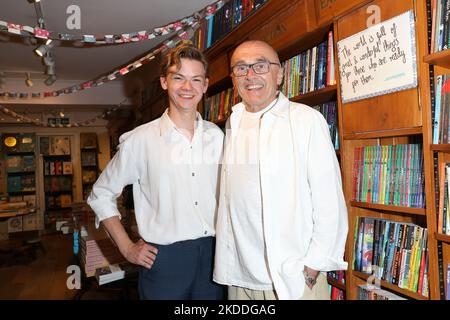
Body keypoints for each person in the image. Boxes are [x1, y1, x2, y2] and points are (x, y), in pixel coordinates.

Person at [87, 42, 225, 300]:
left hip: (215, 257)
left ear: (205, 86)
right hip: (164, 262)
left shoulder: (217, 137)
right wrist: (127, 248)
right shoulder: (140, 140)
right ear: (164, 82)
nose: (187, 87)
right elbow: (101, 194)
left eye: (196, 80)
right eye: (178, 78)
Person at [213, 40, 348, 300]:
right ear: (233, 79)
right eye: (241, 68)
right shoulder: (234, 121)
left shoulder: (306, 120)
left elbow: (329, 202)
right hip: (240, 278)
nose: (250, 75)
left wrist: (311, 269)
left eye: (260, 65)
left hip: (290, 280)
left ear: (280, 74)